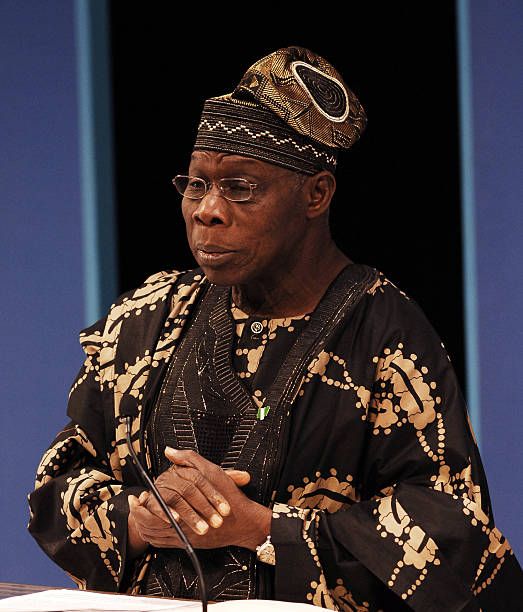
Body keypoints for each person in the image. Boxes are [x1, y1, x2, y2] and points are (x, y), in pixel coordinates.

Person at [28, 46, 522, 610]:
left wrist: (261, 529)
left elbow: (451, 533)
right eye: (196, 185)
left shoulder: (386, 335)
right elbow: (57, 484)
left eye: (240, 188)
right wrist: (142, 517)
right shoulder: (150, 315)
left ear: (317, 194)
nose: (207, 210)